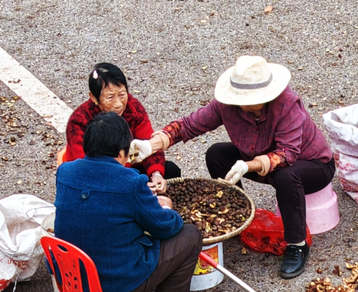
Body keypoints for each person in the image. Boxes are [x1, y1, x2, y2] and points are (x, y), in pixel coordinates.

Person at [128, 56, 335, 279]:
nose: (241, 103)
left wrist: (248, 165)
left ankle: (297, 244)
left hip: (312, 166)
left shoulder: (287, 105)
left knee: (285, 175)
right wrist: (152, 144)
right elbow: (188, 125)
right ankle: (240, 215)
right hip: (257, 160)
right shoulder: (228, 106)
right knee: (217, 154)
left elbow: (287, 154)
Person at [53, 112, 201, 292]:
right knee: (190, 235)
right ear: (122, 152)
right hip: (116, 282)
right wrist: (167, 208)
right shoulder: (130, 182)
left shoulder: (65, 172)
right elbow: (166, 228)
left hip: (71, 279)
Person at [63, 63, 180, 193]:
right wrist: (130, 184)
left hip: (130, 169)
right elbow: (86, 167)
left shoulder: (133, 108)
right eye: (110, 97)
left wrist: (156, 174)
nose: (118, 104)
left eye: (122, 95)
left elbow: (149, 143)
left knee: (170, 171)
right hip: (98, 178)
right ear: (94, 97)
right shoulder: (79, 121)